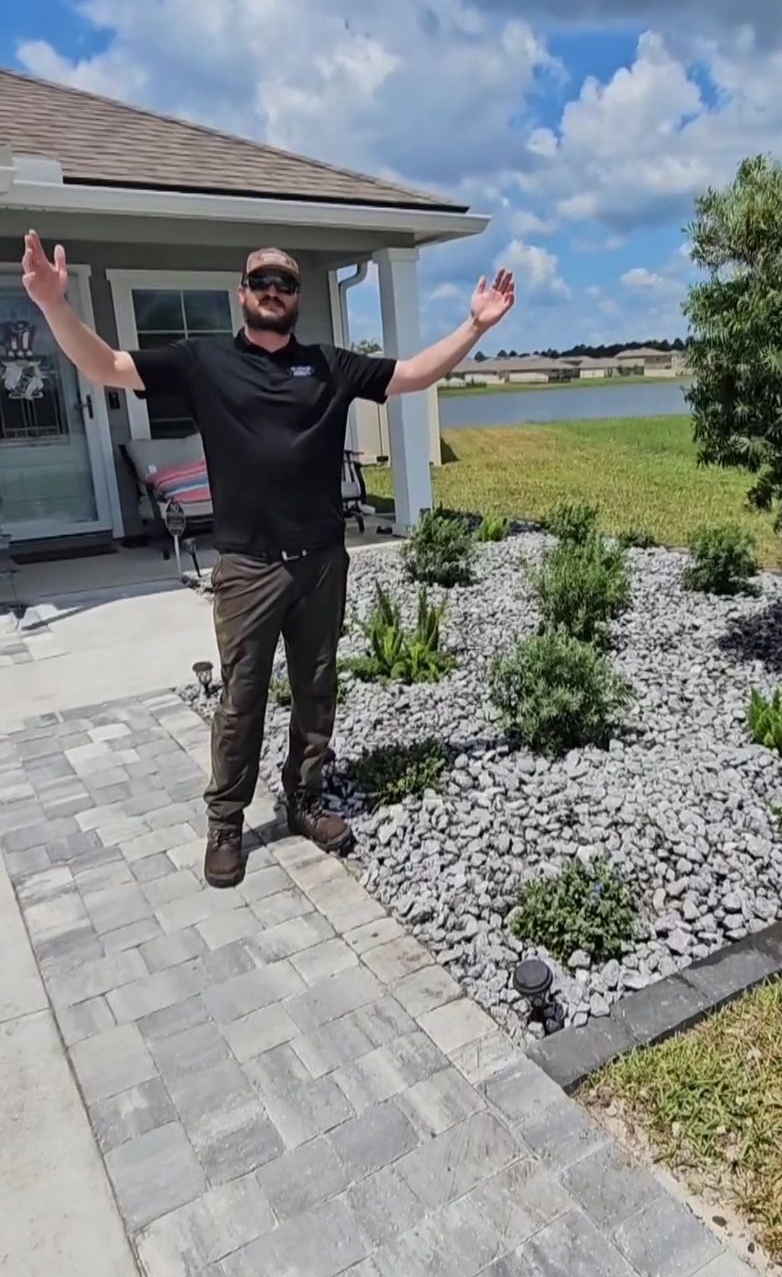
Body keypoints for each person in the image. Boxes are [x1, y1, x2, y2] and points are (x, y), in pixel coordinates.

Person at [21, 232, 515, 887]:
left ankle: (304, 796)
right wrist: (56, 307)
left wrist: (474, 326)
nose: (273, 292)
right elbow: (107, 366)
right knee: (242, 697)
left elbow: (412, 375)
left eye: (284, 284)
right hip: (247, 567)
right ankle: (226, 821)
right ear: (242, 295)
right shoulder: (203, 363)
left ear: (295, 298)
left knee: (316, 690)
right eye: (262, 283)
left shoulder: (330, 365)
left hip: (320, 563)